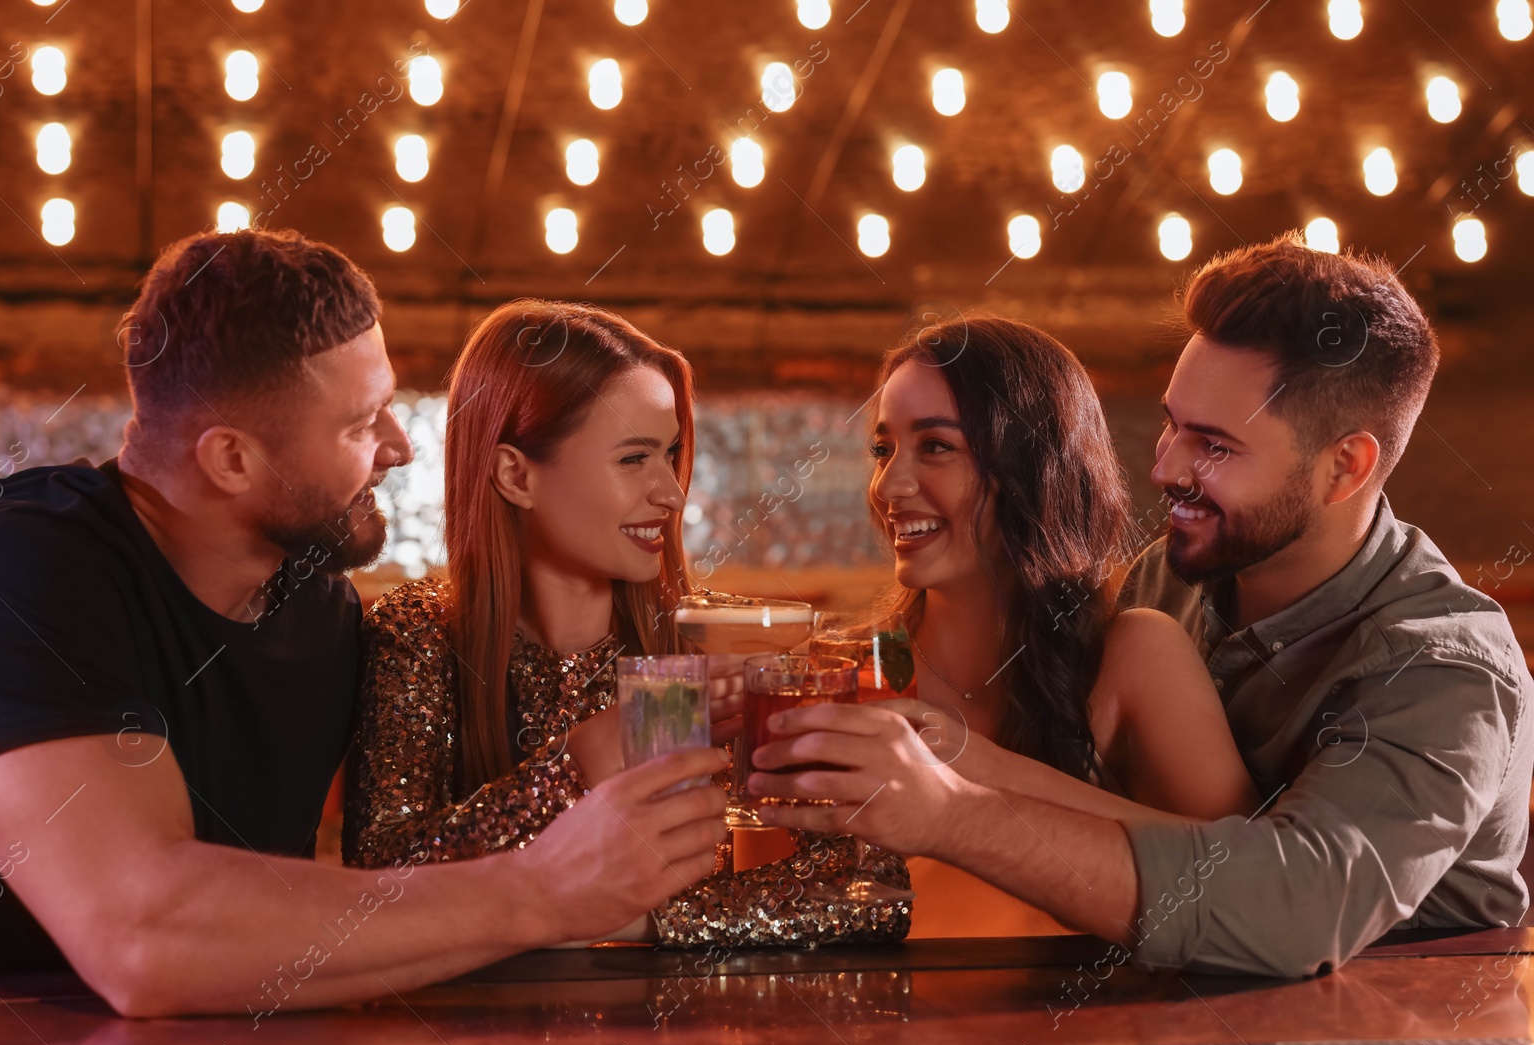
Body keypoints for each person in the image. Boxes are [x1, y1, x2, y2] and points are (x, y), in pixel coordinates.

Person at [0, 229, 728, 1016]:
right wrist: (547, 889)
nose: (402, 446)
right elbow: (145, 938)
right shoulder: (20, 565)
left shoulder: (318, 608)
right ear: (232, 460)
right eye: (362, 422)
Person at [753, 234, 1534, 977]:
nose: (1164, 468)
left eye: (1215, 446)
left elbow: (1294, 907)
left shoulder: (1443, 666)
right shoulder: (1174, 576)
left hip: (1411, 1033)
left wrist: (955, 808)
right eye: (1172, 423)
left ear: (1346, 466)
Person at [342, 298, 910, 948]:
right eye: (634, 459)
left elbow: (875, 890)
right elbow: (375, 890)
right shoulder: (416, 634)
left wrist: (638, 919)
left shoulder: (721, 641)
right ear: (514, 474)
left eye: (671, 454)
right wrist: (579, 762)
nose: (671, 492)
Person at [749, 313, 1260, 934]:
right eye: (884, 449)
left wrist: (974, 763)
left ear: (1035, 468)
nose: (889, 484)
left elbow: (1249, 874)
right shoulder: (841, 673)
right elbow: (762, 905)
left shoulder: (1132, 653)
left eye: (936, 447)